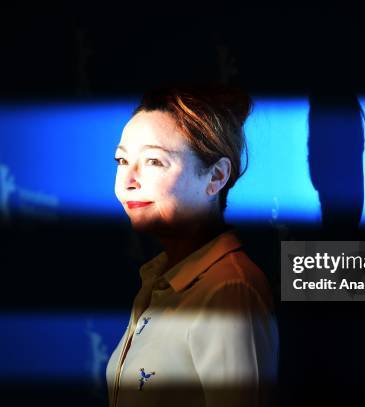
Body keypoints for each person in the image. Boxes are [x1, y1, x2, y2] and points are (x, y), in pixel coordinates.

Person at [105, 84, 279, 407]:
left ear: (215, 177)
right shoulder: (158, 279)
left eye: (154, 162)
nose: (127, 181)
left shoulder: (229, 290)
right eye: (121, 160)